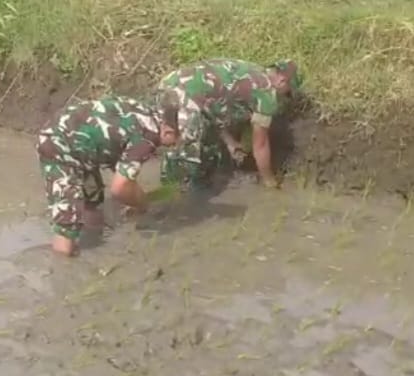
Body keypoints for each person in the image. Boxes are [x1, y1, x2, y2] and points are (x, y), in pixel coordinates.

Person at [37, 94, 181, 258]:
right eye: (177, 138)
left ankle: (92, 237)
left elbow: (121, 160)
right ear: (168, 131)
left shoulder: (143, 111)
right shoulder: (148, 138)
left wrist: (134, 198)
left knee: (93, 196)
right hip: (58, 147)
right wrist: (142, 203)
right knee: (66, 222)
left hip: (78, 138)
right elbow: (119, 188)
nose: (176, 144)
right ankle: (61, 265)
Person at [157, 58, 301, 191]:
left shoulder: (250, 72)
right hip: (184, 97)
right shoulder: (267, 93)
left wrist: (230, 142)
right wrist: (270, 181)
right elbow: (260, 145)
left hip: (169, 83)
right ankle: (178, 191)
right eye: (286, 93)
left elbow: (212, 109)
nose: (283, 98)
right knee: (191, 149)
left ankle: (179, 183)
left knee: (176, 138)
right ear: (282, 81)